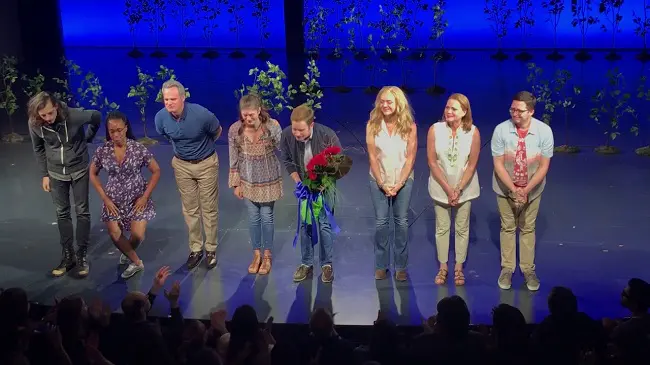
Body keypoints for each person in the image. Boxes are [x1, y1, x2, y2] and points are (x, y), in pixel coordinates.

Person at [28, 91, 101, 278]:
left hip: (79, 169)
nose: (47, 118)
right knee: (62, 213)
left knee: (82, 211)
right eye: (43, 116)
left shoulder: (74, 115)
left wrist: (89, 138)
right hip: (55, 173)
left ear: (57, 107)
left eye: (50, 113)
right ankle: (68, 256)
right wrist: (44, 174)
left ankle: (82, 254)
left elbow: (96, 116)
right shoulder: (35, 124)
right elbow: (38, 149)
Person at [155, 80, 222, 270]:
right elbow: (167, 136)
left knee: (208, 209)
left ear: (183, 98)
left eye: (173, 99)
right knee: (190, 209)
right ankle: (195, 249)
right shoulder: (161, 118)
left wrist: (201, 149)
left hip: (206, 163)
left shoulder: (201, 114)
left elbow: (217, 132)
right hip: (182, 165)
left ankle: (210, 249)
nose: (169, 103)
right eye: (166, 99)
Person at [491, 91, 553, 291]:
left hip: (532, 188)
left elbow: (543, 166)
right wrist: (514, 189)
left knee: (527, 228)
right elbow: (498, 164)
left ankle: (528, 269)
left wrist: (526, 189)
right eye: (512, 109)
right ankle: (507, 268)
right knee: (508, 227)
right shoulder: (501, 130)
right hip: (504, 187)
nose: (514, 113)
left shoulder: (544, 132)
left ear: (531, 111)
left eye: (519, 110)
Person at [89, 111, 161, 279]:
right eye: (112, 131)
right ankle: (136, 262)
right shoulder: (103, 150)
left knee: (137, 236)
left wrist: (144, 197)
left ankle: (127, 250)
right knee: (115, 233)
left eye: (119, 130)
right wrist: (105, 198)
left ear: (126, 128)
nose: (116, 134)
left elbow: (156, 170)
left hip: (137, 198)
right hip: (113, 199)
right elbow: (92, 173)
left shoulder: (137, 149)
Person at [280, 103, 341, 283]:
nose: (297, 134)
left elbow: (338, 163)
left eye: (301, 130)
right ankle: (306, 262)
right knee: (305, 223)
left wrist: (323, 183)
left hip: (325, 185)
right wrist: (300, 183)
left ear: (311, 124)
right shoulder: (286, 136)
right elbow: (288, 160)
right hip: (304, 185)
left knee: (324, 223)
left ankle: (326, 264)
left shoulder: (327, 135)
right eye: (294, 129)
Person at [427, 94, 481, 286]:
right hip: (441, 187)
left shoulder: (473, 132)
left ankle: (458, 268)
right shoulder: (435, 129)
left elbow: (472, 164)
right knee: (442, 228)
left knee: (461, 228)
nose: (449, 111)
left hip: (464, 189)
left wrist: (457, 189)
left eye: (454, 109)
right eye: (447, 107)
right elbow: (432, 162)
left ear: (464, 112)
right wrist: (448, 189)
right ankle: (443, 267)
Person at [366, 86, 417, 282]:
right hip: (378, 179)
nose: (385, 105)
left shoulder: (410, 126)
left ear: (398, 104)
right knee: (381, 223)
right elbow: (372, 156)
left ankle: (401, 266)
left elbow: (411, 157)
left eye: (390, 102)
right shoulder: (372, 125)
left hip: (403, 180)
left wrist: (399, 183)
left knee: (401, 223)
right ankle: (381, 265)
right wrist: (381, 182)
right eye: (382, 101)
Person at [228, 94, 283, 275]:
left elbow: (281, 145)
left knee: (266, 216)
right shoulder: (235, 130)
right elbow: (233, 158)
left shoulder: (271, 126)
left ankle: (267, 255)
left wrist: (267, 130)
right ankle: (256, 254)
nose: (248, 118)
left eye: (251, 114)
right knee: (253, 217)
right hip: (248, 179)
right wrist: (236, 184)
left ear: (259, 110)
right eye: (245, 115)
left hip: (268, 177)